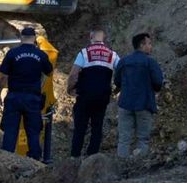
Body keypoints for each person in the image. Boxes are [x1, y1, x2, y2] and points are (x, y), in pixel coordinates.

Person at [0, 26, 53, 160]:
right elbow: (49, 72)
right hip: (33, 98)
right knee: (33, 131)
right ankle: (35, 162)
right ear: (34, 39)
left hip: (14, 97)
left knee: (10, 130)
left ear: (21, 38)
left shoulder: (12, 53)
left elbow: (3, 77)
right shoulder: (41, 55)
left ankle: (6, 160)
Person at [67, 28, 120, 158]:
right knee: (97, 126)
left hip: (85, 95)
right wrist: (117, 88)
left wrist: (70, 88)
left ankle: (74, 156)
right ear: (103, 38)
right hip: (103, 96)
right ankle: (93, 157)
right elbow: (122, 70)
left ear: (91, 37)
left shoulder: (84, 52)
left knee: (80, 127)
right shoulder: (112, 54)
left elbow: (74, 74)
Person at [114, 33, 164, 158]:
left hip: (125, 104)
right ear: (142, 45)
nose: (151, 46)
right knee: (143, 139)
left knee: (124, 139)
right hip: (144, 104)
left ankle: (122, 165)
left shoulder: (124, 61)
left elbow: (117, 81)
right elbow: (158, 82)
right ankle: (140, 165)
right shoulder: (150, 62)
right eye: (149, 44)